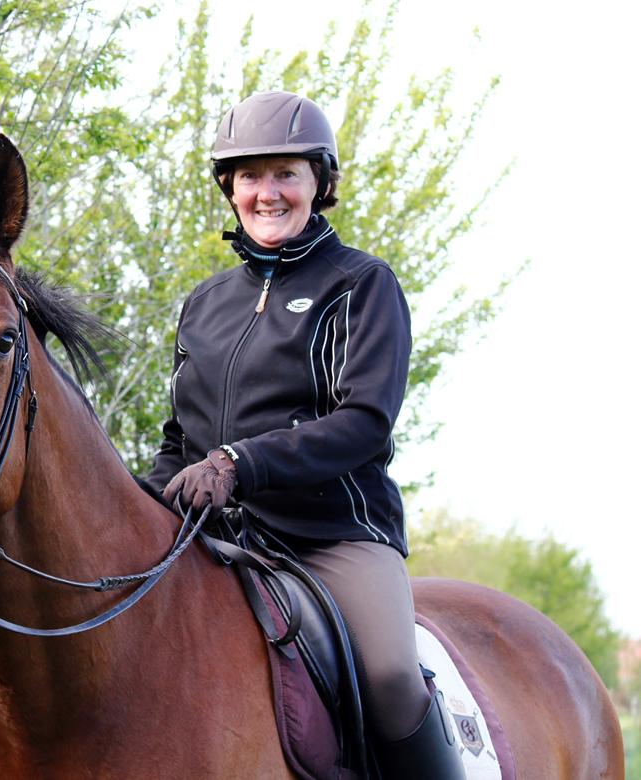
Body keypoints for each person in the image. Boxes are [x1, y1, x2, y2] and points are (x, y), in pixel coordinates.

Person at [146, 91, 465, 779]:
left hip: (332, 540)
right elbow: (179, 440)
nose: (268, 193)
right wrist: (139, 500)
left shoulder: (362, 284)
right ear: (229, 188)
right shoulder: (204, 304)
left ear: (320, 181)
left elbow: (363, 424)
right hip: (214, 540)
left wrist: (237, 462)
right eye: (251, 176)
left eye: (286, 173)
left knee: (388, 676)